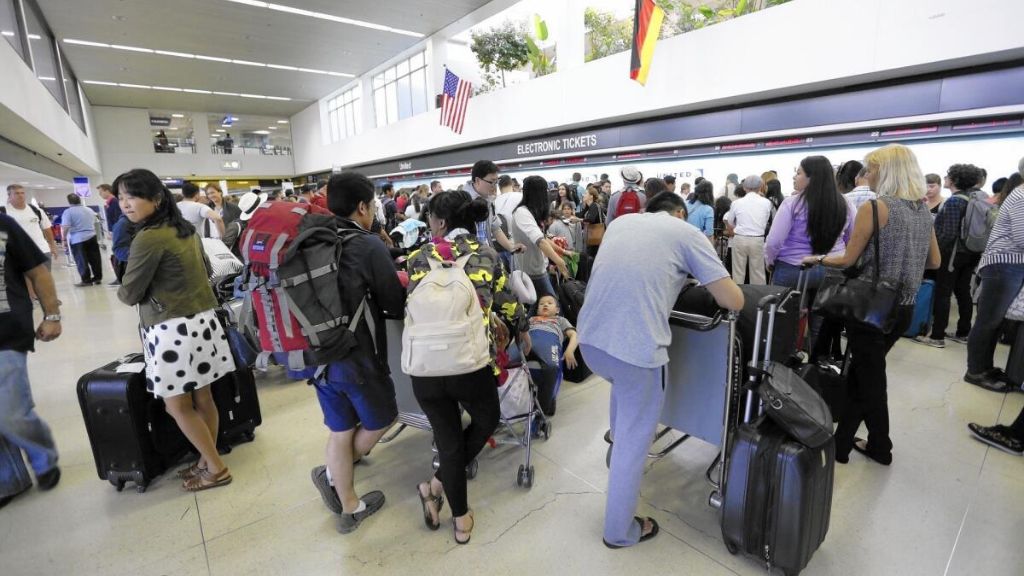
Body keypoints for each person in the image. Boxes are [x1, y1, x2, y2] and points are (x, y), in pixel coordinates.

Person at [578, 190, 743, 548]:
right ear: (680, 213)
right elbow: (734, 299)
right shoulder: (686, 233)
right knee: (635, 442)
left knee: (623, 393)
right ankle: (619, 532)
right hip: (634, 353)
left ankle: (617, 442)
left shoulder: (621, 223)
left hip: (590, 343)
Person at [802, 144, 940, 466]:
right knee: (864, 375)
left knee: (870, 380)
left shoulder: (877, 208)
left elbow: (848, 258)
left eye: (871, 169)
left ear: (886, 171)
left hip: (871, 307)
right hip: (903, 308)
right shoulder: (923, 211)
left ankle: (881, 447)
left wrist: (818, 258)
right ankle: (844, 445)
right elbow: (935, 260)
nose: (866, 175)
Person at [406, 190, 529, 544]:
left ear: (441, 223)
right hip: (470, 364)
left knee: (447, 439)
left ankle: (459, 518)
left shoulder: (417, 257)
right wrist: (521, 331)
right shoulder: (487, 254)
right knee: (486, 420)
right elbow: (507, 305)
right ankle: (434, 486)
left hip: (426, 367)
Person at [115, 168, 237, 491]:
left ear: (155, 199)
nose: (125, 204)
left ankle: (216, 468)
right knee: (204, 398)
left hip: (171, 331)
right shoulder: (184, 230)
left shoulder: (147, 238)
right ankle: (204, 460)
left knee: (176, 406)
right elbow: (209, 271)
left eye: (132, 196)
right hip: (203, 323)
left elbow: (129, 293)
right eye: (120, 197)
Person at [306, 172, 406, 534]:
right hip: (357, 355)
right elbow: (393, 302)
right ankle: (334, 476)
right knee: (382, 418)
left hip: (315, 353)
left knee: (341, 427)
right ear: (363, 206)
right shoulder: (367, 245)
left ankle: (349, 499)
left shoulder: (314, 237)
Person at [0, 213, 63, 509]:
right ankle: (9, 480)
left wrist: (52, 315)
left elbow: (38, 272)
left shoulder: (4, 225)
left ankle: (43, 458)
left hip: (7, 333)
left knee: (12, 412)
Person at [766, 156, 853, 354]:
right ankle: (815, 367)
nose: (794, 177)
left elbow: (774, 241)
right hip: (831, 270)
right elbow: (853, 236)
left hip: (792, 268)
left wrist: (770, 262)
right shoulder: (845, 204)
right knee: (821, 325)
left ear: (811, 178)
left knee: (784, 321)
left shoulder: (793, 204)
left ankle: (783, 365)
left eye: (798, 173)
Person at [963, 157, 1024, 392]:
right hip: (1004, 264)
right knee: (989, 320)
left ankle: (984, 367)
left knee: (994, 321)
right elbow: (1021, 238)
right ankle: (976, 370)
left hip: (1008, 264)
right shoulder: (1021, 197)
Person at [916, 164, 984, 349]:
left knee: (943, 293)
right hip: (970, 253)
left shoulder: (955, 201)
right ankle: (963, 332)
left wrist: (934, 255)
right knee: (963, 292)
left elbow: (947, 234)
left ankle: (937, 336)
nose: (945, 178)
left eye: (947, 176)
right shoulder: (973, 198)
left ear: (954, 180)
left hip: (952, 255)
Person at [510, 176, 571, 298]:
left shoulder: (530, 212)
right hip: (531, 271)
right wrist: (559, 262)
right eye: (545, 191)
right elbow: (540, 241)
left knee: (540, 307)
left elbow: (544, 238)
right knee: (550, 303)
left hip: (538, 267)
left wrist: (563, 251)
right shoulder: (522, 213)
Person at [529, 294, 578, 413]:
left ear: (557, 310)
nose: (545, 304)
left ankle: (543, 408)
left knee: (552, 367)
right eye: (541, 304)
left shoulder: (560, 320)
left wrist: (569, 350)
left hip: (549, 341)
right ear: (537, 309)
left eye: (550, 303)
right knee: (505, 363)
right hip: (528, 339)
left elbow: (575, 335)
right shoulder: (531, 320)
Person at [462, 160, 523, 254]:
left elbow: (495, 228)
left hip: (486, 255)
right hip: (467, 258)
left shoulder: (488, 200)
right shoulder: (461, 201)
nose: (494, 187)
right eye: (491, 182)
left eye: (496, 182)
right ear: (478, 180)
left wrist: (511, 247)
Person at [724, 175, 772, 285]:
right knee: (758, 272)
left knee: (738, 272)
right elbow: (765, 220)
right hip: (758, 239)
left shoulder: (736, 203)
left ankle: (738, 298)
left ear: (744, 188)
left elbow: (730, 222)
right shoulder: (766, 202)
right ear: (760, 187)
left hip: (740, 238)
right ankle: (758, 298)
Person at [4, 185, 60, 270]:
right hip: (17, 254)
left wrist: (52, 245)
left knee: (45, 281)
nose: (20, 195)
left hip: (42, 250)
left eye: (22, 193)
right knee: (23, 282)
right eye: (16, 193)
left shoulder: (37, 211)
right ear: (9, 195)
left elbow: (47, 228)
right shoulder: (4, 212)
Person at [61, 194, 103, 287]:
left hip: (78, 239)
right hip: (92, 236)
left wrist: (63, 239)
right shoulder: (89, 209)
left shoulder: (68, 212)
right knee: (95, 259)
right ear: (79, 200)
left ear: (69, 201)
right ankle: (97, 277)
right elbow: (95, 221)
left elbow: (65, 226)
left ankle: (86, 280)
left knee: (81, 260)